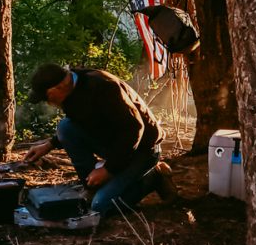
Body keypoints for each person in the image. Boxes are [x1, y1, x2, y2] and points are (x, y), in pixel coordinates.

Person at [24, 63, 176, 214]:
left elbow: (134, 129)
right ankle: (92, 185)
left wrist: (109, 170)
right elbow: (78, 123)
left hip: (143, 149)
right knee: (65, 127)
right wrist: (49, 145)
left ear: (60, 86)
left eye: (47, 96)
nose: (47, 102)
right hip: (115, 145)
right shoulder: (70, 91)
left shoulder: (103, 86)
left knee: (100, 206)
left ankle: (154, 177)